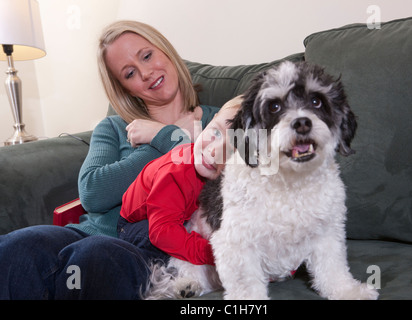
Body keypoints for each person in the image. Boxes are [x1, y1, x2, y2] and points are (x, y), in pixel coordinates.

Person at [0, 20, 220, 300]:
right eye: (130, 73)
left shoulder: (218, 122)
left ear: (166, 51)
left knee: (93, 259)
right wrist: (166, 138)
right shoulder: (115, 127)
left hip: (151, 251)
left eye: (147, 56)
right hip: (85, 236)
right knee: (18, 246)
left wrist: (162, 135)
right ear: (126, 88)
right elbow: (92, 193)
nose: (146, 73)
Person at [118, 97, 242, 268]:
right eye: (216, 132)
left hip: (180, 215)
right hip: (139, 224)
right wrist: (216, 255)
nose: (214, 151)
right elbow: (161, 231)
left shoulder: (227, 177)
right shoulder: (177, 172)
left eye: (230, 150)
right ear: (208, 123)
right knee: (167, 252)